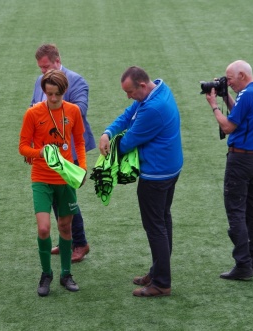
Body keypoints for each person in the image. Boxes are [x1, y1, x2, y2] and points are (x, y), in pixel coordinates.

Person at [99, 66, 183, 297]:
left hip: (156, 176)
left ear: (142, 86)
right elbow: (128, 114)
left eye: (130, 92)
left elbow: (127, 143)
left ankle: (162, 283)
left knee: (155, 227)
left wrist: (106, 154)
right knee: (163, 222)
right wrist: (108, 132)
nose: (128, 97)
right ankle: (157, 272)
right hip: (170, 169)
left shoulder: (153, 108)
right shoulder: (159, 90)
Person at [19, 69, 87, 297]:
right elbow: (23, 147)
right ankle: (46, 273)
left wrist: (82, 168)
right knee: (44, 228)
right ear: (44, 92)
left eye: (57, 94)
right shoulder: (33, 113)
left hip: (65, 178)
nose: (54, 98)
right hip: (41, 178)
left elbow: (79, 141)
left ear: (64, 91)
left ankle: (66, 274)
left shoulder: (74, 111)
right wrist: (42, 153)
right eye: (49, 94)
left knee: (66, 227)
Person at [205, 60, 253, 280]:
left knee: (236, 211)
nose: (228, 82)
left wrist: (214, 105)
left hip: (241, 161)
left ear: (242, 75)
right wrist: (226, 96)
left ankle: (243, 265)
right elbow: (242, 115)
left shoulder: (247, 95)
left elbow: (228, 126)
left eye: (230, 79)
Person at [31, 44, 95, 262]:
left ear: (58, 61)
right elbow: (33, 109)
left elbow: (81, 111)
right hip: (46, 152)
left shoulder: (77, 81)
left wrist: (52, 107)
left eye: (46, 66)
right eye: (41, 68)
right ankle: (66, 239)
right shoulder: (40, 82)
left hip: (70, 151)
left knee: (68, 200)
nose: (43, 72)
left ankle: (80, 243)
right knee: (56, 201)